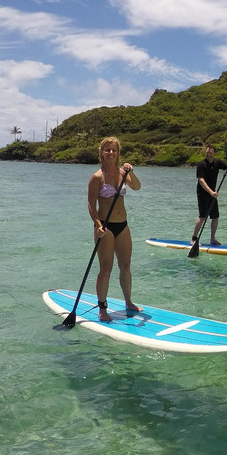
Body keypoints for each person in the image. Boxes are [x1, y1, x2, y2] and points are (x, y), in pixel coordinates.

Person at [87, 136, 142, 321]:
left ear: (118, 153)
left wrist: (131, 172)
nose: (111, 153)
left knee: (125, 266)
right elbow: (90, 204)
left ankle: (129, 302)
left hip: (123, 226)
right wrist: (98, 225)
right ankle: (102, 308)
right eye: (107, 149)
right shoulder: (97, 177)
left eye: (114, 150)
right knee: (106, 268)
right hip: (105, 226)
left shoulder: (123, 173)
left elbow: (137, 187)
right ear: (101, 152)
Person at [192, 145, 227, 245]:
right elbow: (201, 180)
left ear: (214, 153)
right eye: (207, 152)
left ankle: (212, 239)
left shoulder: (217, 162)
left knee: (215, 217)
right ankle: (194, 238)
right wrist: (211, 192)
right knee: (203, 217)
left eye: (211, 152)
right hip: (203, 193)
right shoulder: (201, 164)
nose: (209, 154)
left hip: (213, 194)